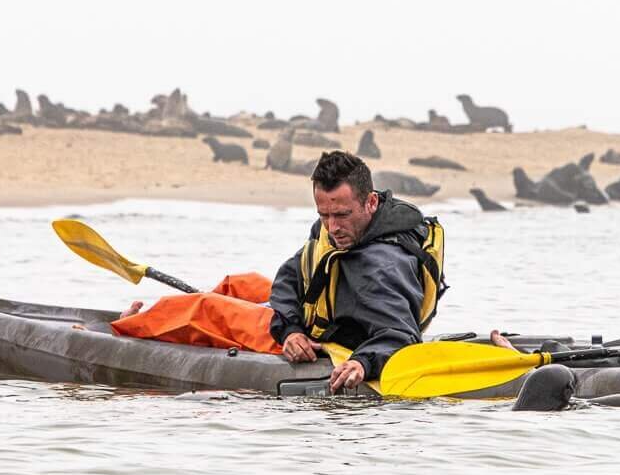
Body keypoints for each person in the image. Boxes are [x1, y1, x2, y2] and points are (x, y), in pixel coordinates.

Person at [117, 151, 443, 394]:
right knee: (239, 284)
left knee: (202, 307)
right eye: (324, 214)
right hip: (310, 319)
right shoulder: (350, 228)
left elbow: (400, 334)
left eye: (342, 215)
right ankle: (185, 329)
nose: (332, 227)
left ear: (371, 202)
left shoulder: (381, 268)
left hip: (325, 341)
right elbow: (291, 276)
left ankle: (124, 328)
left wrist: (362, 362)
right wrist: (289, 329)